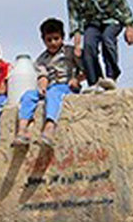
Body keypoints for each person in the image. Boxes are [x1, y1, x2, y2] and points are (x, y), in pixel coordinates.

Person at [54, 0, 133, 90]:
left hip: (112, 20)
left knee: (107, 39)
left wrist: (130, 26)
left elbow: (121, 3)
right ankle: (95, 82)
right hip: (92, 24)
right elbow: (75, 20)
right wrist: (76, 45)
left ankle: (111, 76)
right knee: (88, 47)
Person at [17, 18, 85, 148]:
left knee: (53, 93)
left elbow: (85, 70)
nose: (53, 43)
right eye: (49, 40)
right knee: (28, 95)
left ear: (62, 37)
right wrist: (42, 87)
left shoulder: (70, 52)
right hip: (50, 86)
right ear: (43, 40)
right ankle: (22, 129)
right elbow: (43, 75)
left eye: (56, 38)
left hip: (67, 86)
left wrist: (76, 80)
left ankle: (49, 127)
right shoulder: (42, 59)